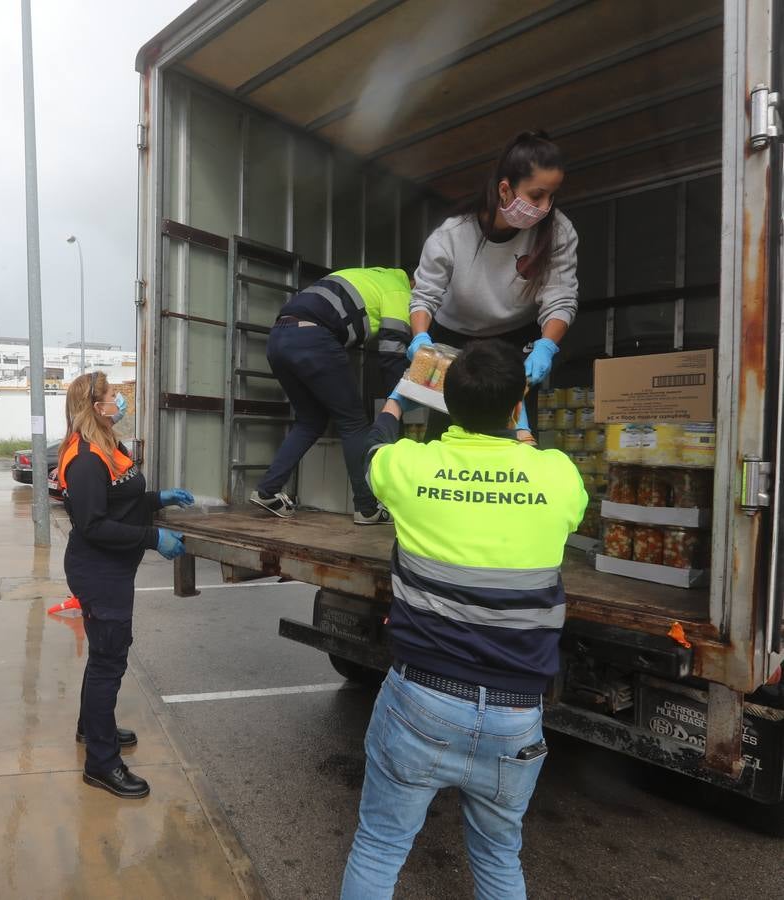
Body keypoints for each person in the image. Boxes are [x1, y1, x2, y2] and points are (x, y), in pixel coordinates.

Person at [339, 340, 586, 899]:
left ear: (444, 400)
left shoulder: (412, 466)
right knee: (500, 861)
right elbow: (532, 458)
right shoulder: (558, 477)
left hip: (421, 700)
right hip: (517, 714)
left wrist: (401, 394)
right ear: (517, 403)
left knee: (379, 847)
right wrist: (518, 416)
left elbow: (372, 447)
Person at [57, 371, 193, 799]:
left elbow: (124, 498)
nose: (121, 401)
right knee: (109, 661)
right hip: (99, 571)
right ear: (94, 405)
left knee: (103, 656)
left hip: (112, 568)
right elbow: (94, 524)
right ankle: (101, 763)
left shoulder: (108, 444)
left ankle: (90, 727)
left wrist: (158, 499)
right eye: (115, 395)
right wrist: (153, 537)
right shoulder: (84, 459)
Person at [408, 130, 578, 440]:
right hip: (453, 340)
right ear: (505, 189)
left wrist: (545, 346)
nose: (545, 206)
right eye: (537, 195)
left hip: (515, 342)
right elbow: (425, 295)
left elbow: (561, 297)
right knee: (447, 432)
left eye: (552, 195)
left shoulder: (559, 231)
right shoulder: (452, 234)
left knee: (516, 435)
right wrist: (420, 338)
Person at [249, 266, 412, 523]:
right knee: (353, 422)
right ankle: (367, 508)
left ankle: (267, 491)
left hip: (279, 338)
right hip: (313, 338)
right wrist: (402, 400)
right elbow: (392, 352)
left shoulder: (367, 276)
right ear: (415, 284)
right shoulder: (400, 290)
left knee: (310, 420)